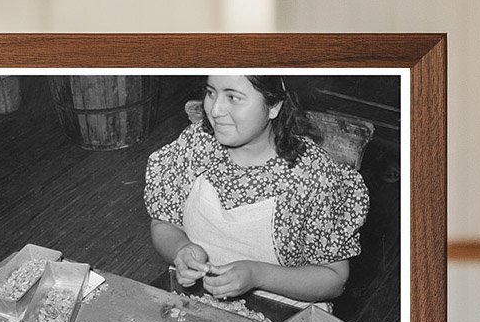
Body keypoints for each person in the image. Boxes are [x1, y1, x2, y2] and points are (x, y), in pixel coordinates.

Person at [144, 74, 369, 305]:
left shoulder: (312, 175)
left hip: (283, 316)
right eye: (211, 93)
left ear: (274, 105)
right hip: (196, 303)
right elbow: (163, 223)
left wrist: (257, 275)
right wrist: (181, 249)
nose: (215, 110)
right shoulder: (195, 145)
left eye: (233, 97)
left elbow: (334, 279)